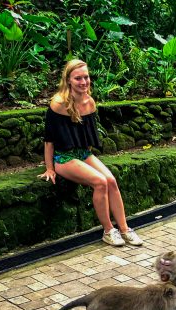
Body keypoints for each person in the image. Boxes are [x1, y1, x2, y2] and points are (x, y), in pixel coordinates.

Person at [38, 59, 143, 247]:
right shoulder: (58, 104)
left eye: (86, 77)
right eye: (78, 78)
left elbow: (86, 137)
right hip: (64, 157)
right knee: (100, 182)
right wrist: (49, 167)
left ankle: (125, 229)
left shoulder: (89, 102)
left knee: (111, 180)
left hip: (82, 154)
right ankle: (109, 230)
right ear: (68, 80)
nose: (83, 82)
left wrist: (87, 158)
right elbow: (49, 139)